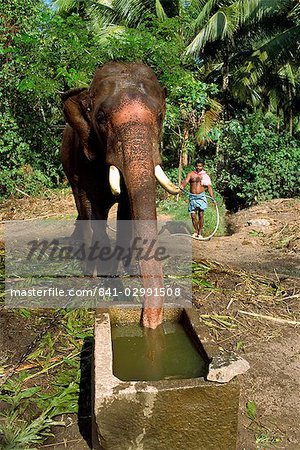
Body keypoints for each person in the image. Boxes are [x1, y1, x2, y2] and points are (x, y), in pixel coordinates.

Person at [180, 160, 216, 239]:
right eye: (197, 166)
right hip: (192, 197)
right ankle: (195, 231)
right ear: (195, 166)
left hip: (201, 197)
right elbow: (186, 181)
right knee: (193, 215)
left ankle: (200, 233)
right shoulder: (191, 174)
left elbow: (209, 187)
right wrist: (182, 186)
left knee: (201, 214)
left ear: (203, 166)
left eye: (200, 166)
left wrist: (212, 198)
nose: (198, 167)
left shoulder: (205, 176)